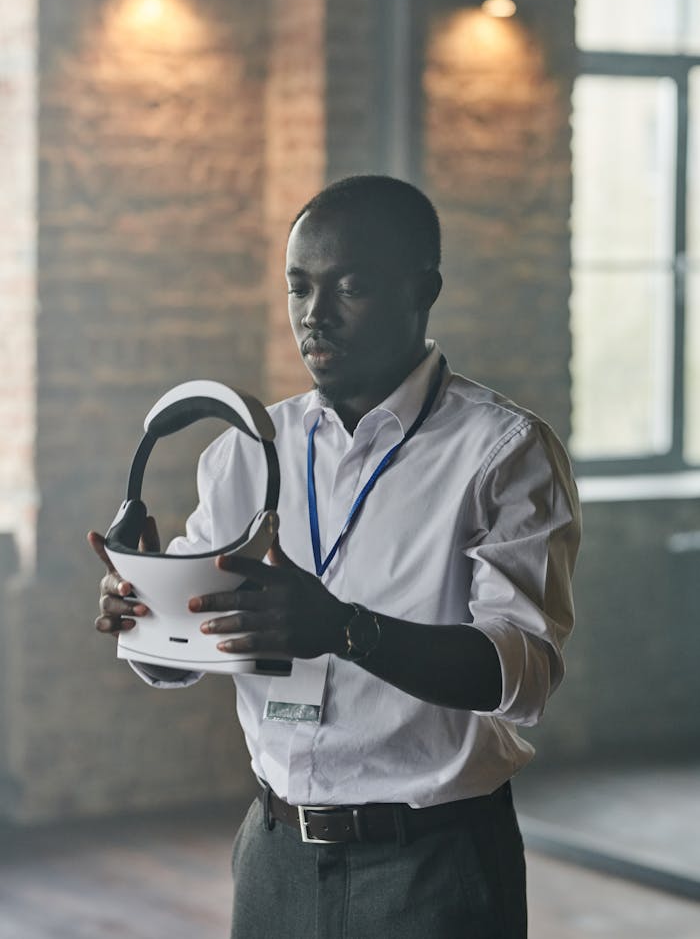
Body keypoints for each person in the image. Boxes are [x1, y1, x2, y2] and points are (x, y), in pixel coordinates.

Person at [89, 175, 580, 939]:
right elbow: (183, 652)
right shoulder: (246, 450)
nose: (314, 314)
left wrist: (346, 630)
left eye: (349, 287)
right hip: (273, 855)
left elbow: (524, 675)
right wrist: (145, 614)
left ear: (423, 291)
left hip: (434, 865)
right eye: (299, 287)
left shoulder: (503, 451)